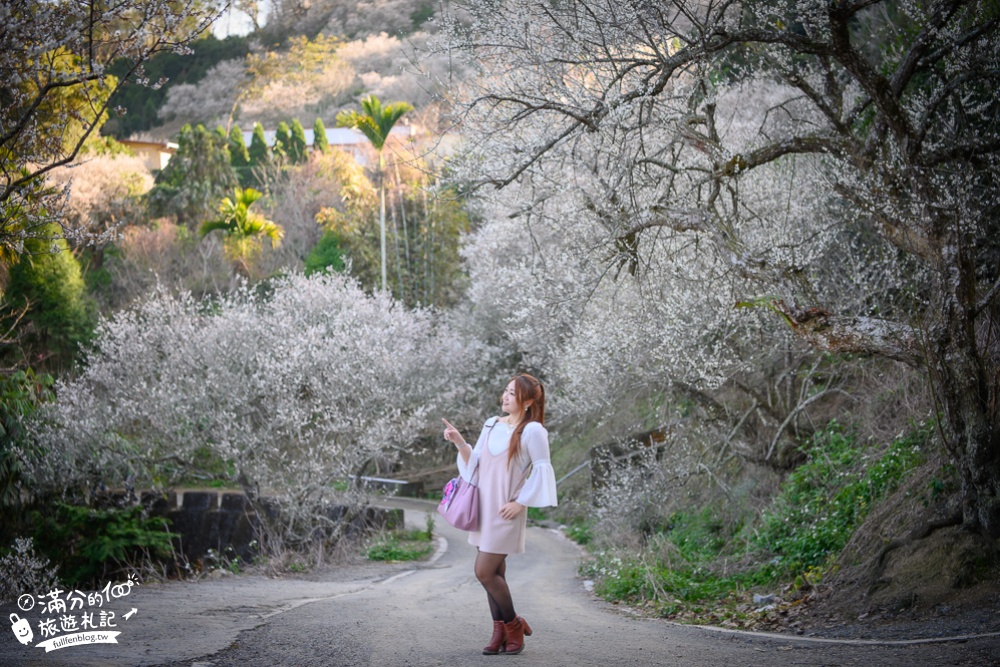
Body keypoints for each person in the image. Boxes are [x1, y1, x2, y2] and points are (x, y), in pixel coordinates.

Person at [442, 373, 558, 656]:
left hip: (506, 511)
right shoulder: (492, 424)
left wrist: (521, 503)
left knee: (483, 572)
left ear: (528, 401)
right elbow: (476, 465)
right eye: (505, 391)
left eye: (512, 393)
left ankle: (514, 624)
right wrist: (459, 442)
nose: (504, 397)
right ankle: (500, 632)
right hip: (483, 506)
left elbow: (543, 469)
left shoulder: (533, 431)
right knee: (494, 574)